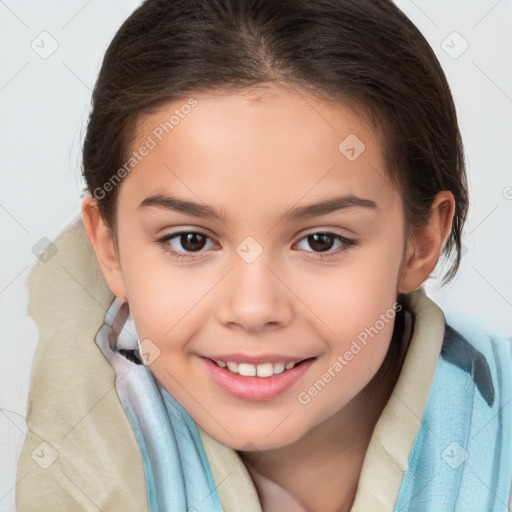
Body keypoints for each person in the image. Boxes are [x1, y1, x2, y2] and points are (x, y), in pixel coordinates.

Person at [16, 0, 512, 511]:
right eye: (190, 240)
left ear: (422, 242)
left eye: (322, 241)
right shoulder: (82, 460)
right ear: (110, 248)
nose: (253, 309)